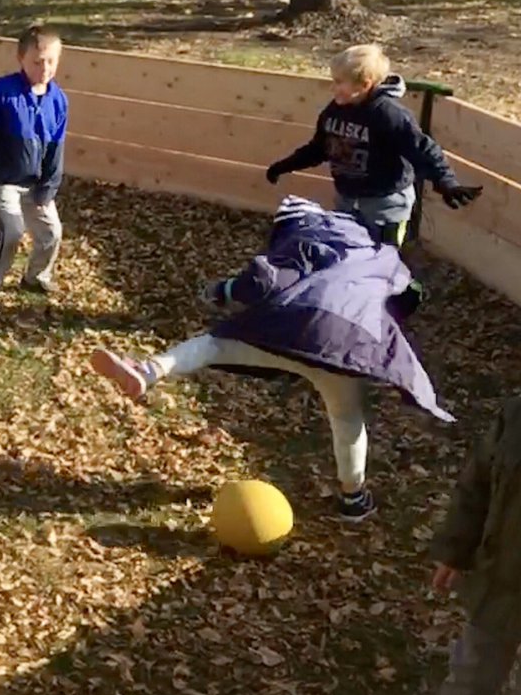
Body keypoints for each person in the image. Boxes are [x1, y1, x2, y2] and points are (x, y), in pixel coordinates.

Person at [89, 196, 453, 523]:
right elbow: (412, 294)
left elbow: (265, 278)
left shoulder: (305, 237)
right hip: (350, 345)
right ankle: (353, 498)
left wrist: (224, 290)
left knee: (213, 344)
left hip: (290, 325)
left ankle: (149, 370)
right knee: (346, 417)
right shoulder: (378, 251)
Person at [266, 44, 482, 246]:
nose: (333, 87)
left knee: (382, 257)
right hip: (348, 200)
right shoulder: (334, 112)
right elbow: (319, 148)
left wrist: (446, 181)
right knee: (349, 252)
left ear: (365, 84)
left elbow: (423, 149)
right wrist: (285, 165)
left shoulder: (389, 115)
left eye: (339, 82)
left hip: (385, 205)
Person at [426, 396, 521, 695]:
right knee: (466, 687)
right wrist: (455, 549)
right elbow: (477, 482)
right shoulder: (515, 415)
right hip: (498, 583)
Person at [0, 23, 68, 318]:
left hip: (36, 184)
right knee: (11, 232)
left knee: (52, 233)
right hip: (4, 181)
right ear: (21, 59)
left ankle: (35, 277)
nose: (44, 68)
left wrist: (49, 187)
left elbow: (57, 147)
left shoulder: (58, 101)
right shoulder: (4, 92)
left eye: (51, 61)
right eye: (37, 62)